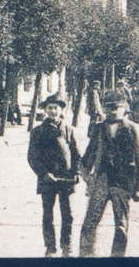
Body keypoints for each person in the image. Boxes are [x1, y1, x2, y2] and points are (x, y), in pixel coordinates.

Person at [79, 90, 139, 257]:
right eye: (108, 108)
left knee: (121, 225)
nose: (112, 111)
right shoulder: (98, 128)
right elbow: (90, 154)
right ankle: (86, 256)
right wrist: (84, 173)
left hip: (122, 183)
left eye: (116, 108)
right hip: (101, 181)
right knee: (89, 223)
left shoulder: (132, 129)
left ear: (124, 108)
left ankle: (117, 257)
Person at [28, 93, 81, 258]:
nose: (52, 111)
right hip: (47, 179)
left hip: (65, 179)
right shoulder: (38, 131)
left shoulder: (69, 130)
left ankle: (67, 246)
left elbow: (76, 154)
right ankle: (50, 247)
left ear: (61, 110)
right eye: (49, 108)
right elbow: (32, 157)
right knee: (48, 215)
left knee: (68, 215)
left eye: (55, 108)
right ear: (45, 110)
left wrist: (76, 172)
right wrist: (43, 173)